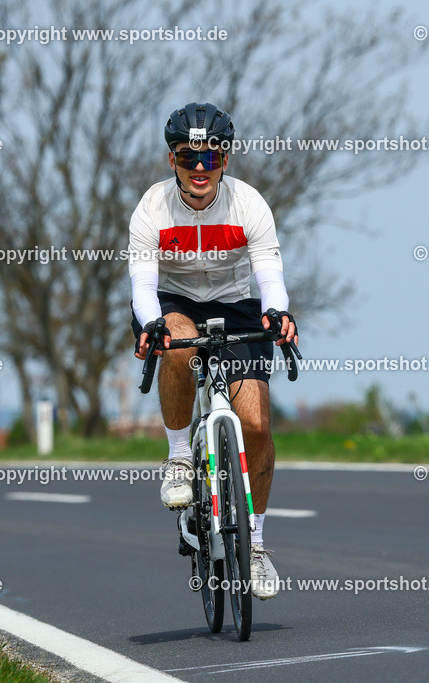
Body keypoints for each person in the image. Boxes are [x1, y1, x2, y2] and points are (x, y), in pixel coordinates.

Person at [129, 102, 298, 599]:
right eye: (188, 158)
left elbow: (271, 276)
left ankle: (258, 546)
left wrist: (278, 314)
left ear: (225, 160)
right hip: (174, 301)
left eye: (211, 159)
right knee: (179, 348)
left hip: (237, 302)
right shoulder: (152, 209)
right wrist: (151, 323)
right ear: (171, 160)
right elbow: (142, 284)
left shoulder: (249, 205)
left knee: (259, 425)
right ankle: (180, 456)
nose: (200, 169)